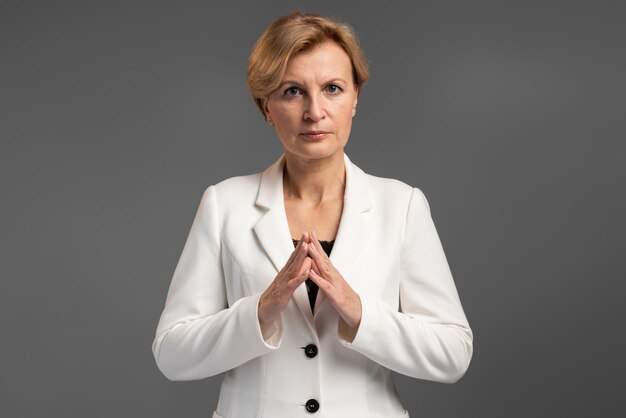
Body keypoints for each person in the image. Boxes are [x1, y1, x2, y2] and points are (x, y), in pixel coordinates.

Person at [152, 12, 473, 418]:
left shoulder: (402, 205)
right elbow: (172, 354)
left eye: (333, 88)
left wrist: (359, 312)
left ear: (355, 98)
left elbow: (453, 353)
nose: (314, 111)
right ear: (265, 106)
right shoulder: (224, 204)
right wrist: (260, 311)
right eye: (292, 92)